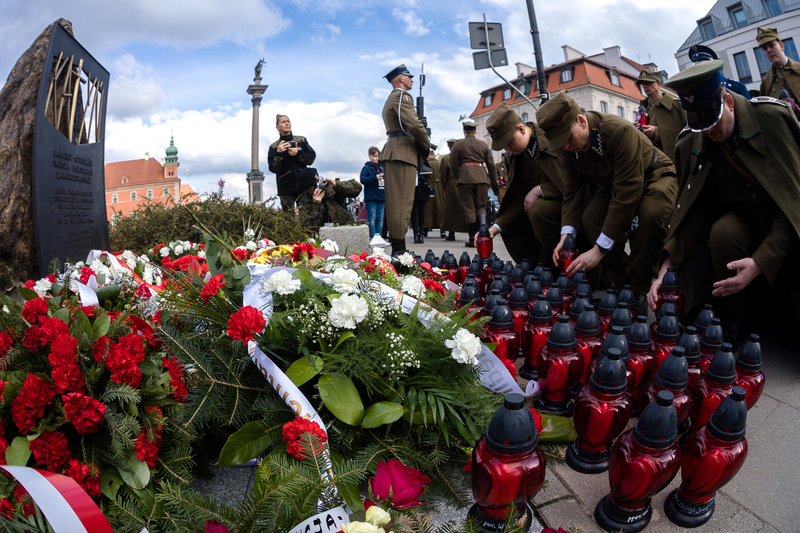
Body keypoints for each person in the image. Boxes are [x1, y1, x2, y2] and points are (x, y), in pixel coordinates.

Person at [648, 60, 800, 345]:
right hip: (745, 220)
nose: (709, 131)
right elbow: (689, 212)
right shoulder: (690, 142)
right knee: (723, 234)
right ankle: (740, 313)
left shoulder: (772, 119)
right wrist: (666, 269)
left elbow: (796, 201)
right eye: (700, 124)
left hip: (789, 223)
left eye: (713, 119)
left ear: (728, 102)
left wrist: (759, 262)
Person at [537, 91, 678, 316]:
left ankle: (639, 290)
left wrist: (599, 250)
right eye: (559, 143)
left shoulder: (617, 131)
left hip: (654, 174)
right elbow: (573, 191)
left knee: (651, 215)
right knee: (591, 217)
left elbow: (627, 193)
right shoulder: (569, 147)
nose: (564, 147)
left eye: (566, 138)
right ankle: (621, 285)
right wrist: (566, 236)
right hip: (615, 183)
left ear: (581, 122)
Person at [480, 103, 566, 265]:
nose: (507, 147)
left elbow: (574, 183)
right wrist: (495, 228)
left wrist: (541, 189)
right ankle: (538, 263)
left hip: (569, 207)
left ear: (521, 128)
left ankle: (554, 264)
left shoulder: (552, 139)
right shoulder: (515, 156)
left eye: (508, 141)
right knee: (520, 220)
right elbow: (518, 198)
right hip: (541, 217)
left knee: (538, 209)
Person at [380, 64, 431, 255]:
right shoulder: (402, 97)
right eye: (409, 76)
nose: (412, 80)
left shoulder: (392, 98)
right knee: (402, 202)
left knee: (397, 202)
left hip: (397, 150)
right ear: (400, 78)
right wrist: (426, 141)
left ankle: (399, 248)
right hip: (403, 151)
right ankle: (400, 252)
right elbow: (413, 124)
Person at [449, 121, 498, 247]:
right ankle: (482, 235)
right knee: (481, 206)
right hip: (481, 178)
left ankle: (472, 238)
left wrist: (458, 176)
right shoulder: (482, 145)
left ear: (464, 131)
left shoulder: (458, 145)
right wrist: (494, 183)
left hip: (464, 179)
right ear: (475, 131)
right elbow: (491, 165)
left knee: (469, 208)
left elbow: (453, 164)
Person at [267, 115, 317, 212]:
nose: (286, 123)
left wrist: (298, 153)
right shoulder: (274, 147)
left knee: (307, 215)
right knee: (288, 218)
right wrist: (279, 154)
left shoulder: (301, 140)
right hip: (285, 188)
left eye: (288, 121)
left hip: (304, 186)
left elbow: (311, 159)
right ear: (277, 127)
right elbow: (273, 169)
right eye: (283, 122)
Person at [635, 69, 686, 162]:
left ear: (659, 84)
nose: (645, 86)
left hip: (675, 159)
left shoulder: (677, 106)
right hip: (652, 159)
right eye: (642, 83)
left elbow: (687, 133)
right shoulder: (643, 108)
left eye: (649, 83)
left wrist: (656, 132)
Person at [757, 27, 800, 118]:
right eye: (765, 48)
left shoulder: (798, 70)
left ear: (781, 46)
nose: (769, 50)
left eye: (771, 45)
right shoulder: (766, 83)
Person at [295, 177, 363, 230]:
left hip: (342, 224)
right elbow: (308, 226)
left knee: (364, 224)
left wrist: (336, 184)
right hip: (321, 232)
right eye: (315, 185)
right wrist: (315, 205)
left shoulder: (330, 189)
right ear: (307, 188)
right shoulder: (304, 201)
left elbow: (358, 188)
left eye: (319, 182)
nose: (319, 187)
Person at [687, 44, 751, 99]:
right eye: (698, 68)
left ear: (715, 66)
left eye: (705, 67)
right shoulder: (695, 93)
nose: (702, 71)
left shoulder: (737, 88)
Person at [359, 146, 388, 247]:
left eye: (378, 156)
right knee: (371, 217)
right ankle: (372, 237)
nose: (376, 158)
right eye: (374, 156)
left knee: (380, 218)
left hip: (381, 196)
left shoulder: (382, 167)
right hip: (371, 196)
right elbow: (363, 179)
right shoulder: (366, 168)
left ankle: (379, 237)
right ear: (369, 156)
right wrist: (375, 177)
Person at [439, 139, 466, 241]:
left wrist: (445, 186)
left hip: (451, 187)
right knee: (466, 209)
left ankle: (451, 233)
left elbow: (442, 176)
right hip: (464, 185)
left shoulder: (446, 159)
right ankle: (471, 233)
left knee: (450, 210)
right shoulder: (464, 158)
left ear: (450, 147)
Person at [424, 150, 445, 238]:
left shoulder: (426, 164)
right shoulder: (440, 164)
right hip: (440, 189)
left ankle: (425, 230)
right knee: (440, 208)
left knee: (427, 210)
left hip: (428, 188)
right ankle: (442, 230)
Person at [411, 169, 431, 244]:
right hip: (413, 188)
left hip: (422, 188)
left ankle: (421, 234)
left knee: (421, 213)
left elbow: (429, 172)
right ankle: (415, 233)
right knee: (414, 213)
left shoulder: (423, 161)